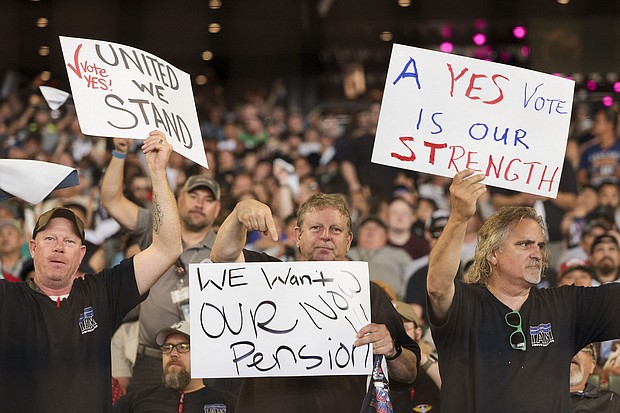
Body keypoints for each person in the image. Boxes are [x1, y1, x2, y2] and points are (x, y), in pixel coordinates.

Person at [0, 131, 183, 412]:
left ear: (81, 253)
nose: (59, 247)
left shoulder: (103, 292)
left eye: (70, 241)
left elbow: (168, 248)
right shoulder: (7, 297)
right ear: (33, 248)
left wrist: (158, 173)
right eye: (50, 239)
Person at [426, 168, 620, 412]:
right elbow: (438, 288)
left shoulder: (567, 306)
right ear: (493, 254)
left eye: (540, 245)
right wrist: (459, 218)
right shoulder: (465, 303)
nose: (537, 254)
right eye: (525, 244)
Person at [210, 193, 420, 413]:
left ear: (348, 241)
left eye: (335, 230)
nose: (326, 236)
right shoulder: (266, 276)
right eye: (316, 228)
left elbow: (409, 373)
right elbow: (222, 257)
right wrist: (238, 214)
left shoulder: (369, 294)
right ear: (298, 236)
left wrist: (392, 351)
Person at [101, 137, 223, 392]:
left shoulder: (224, 248)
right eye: (193, 195)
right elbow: (112, 201)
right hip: (151, 358)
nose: (200, 203)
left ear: (217, 209)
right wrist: (120, 153)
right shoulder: (153, 224)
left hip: (205, 359)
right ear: (178, 199)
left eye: (208, 199)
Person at [114, 321, 236, 413]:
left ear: (202, 354)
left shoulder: (226, 403)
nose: (173, 353)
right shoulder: (133, 401)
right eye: (167, 347)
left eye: (183, 347)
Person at [347, 215, 412, 299]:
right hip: (352, 299)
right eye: (366, 228)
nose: (370, 232)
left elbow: (411, 279)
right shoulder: (347, 254)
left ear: (385, 236)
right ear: (358, 235)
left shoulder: (399, 255)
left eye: (375, 228)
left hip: (393, 301)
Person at [570, 343, 620, 412]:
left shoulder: (612, 401)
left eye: (582, 347)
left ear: (592, 365)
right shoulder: (550, 399)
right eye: (562, 349)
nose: (572, 352)